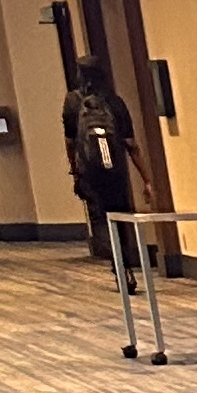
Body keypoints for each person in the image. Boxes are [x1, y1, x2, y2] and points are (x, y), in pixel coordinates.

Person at [61, 54, 141, 263]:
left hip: (90, 170)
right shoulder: (115, 101)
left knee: (99, 215)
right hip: (115, 169)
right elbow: (131, 144)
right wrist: (146, 178)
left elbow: (70, 141)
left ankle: (113, 256)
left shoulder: (72, 102)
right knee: (120, 213)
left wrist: (74, 170)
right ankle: (124, 258)